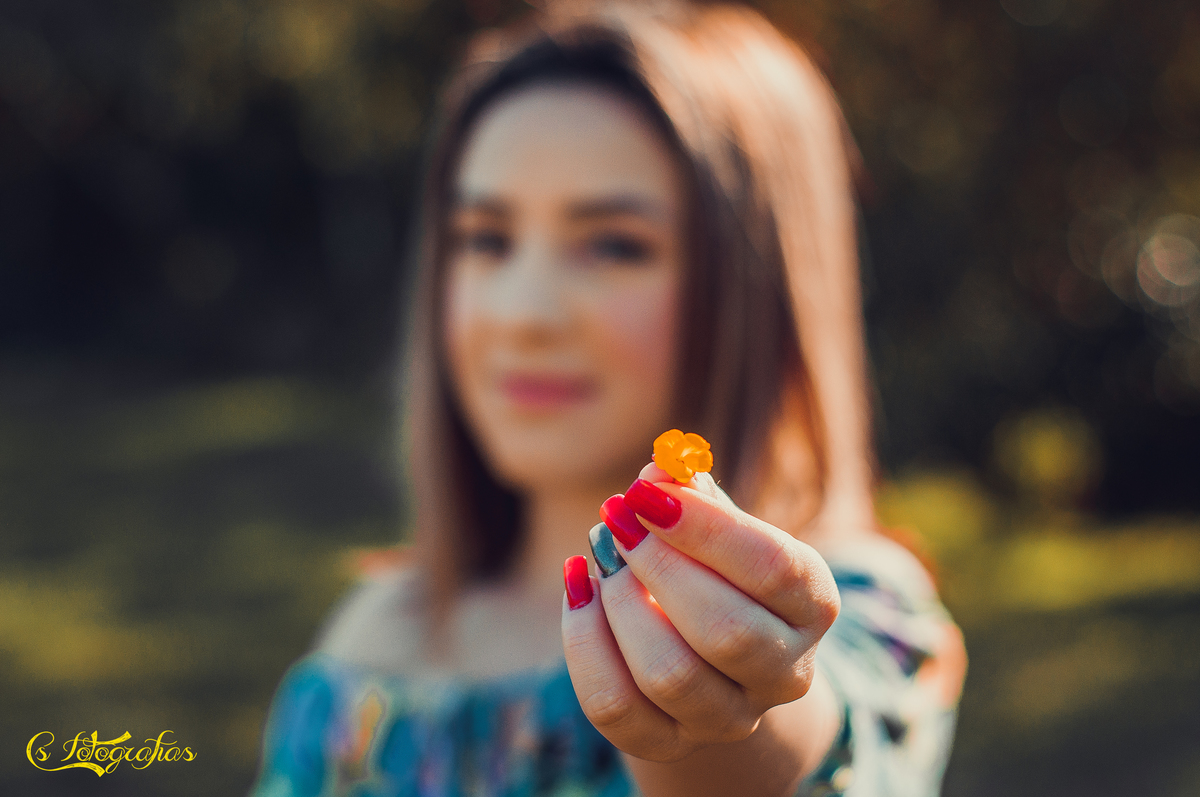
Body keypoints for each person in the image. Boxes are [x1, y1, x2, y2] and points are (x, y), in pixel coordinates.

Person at [249, 2, 966, 795]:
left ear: (756, 292)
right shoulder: (364, 644)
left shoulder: (866, 613)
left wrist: (717, 718)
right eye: (486, 238)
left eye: (614, 244)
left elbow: (799, 742)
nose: (523, 312)